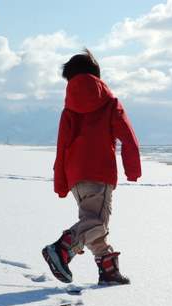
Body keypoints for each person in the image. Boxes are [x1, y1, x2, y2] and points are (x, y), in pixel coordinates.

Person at [42, 49, 141, 285]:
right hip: (99, 173)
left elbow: (62, 147)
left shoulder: (69, 110)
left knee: (91, 223)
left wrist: (62, 182)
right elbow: (128, 138)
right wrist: (133, 169)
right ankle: (62, 248)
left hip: (76, 177)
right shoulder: (109, 103)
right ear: (97, 75)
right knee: (96, 222)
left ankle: (108, 271)